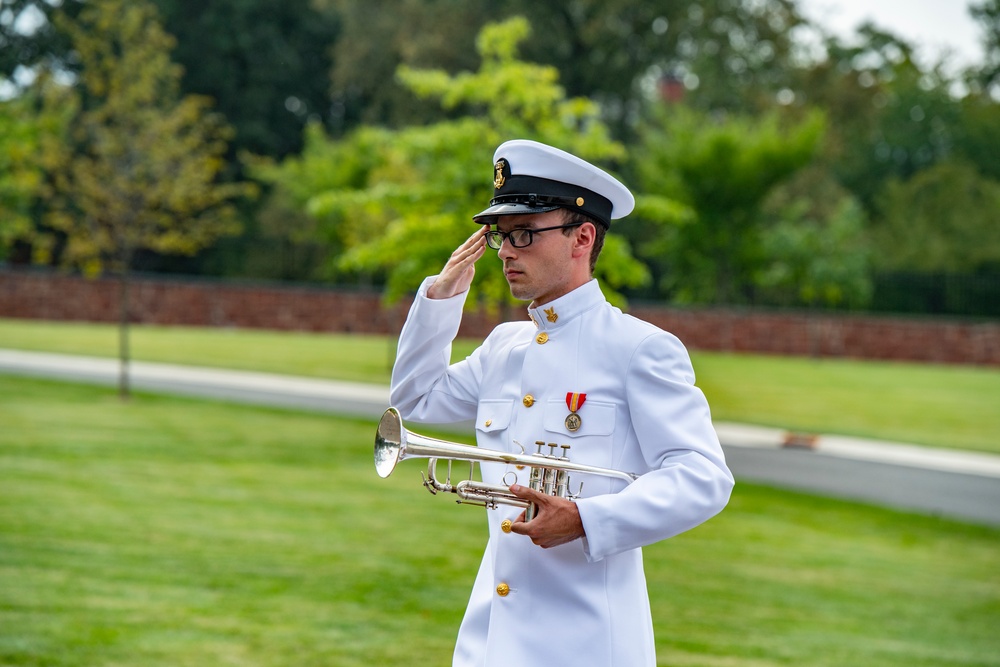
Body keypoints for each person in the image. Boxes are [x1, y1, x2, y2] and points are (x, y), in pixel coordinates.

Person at [389, 139, 734, 667]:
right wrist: (441, 297)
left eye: (523, 234)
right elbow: (415, 399)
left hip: (587, 644)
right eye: (501, 236)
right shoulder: (505, 346)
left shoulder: (639, 348)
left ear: (583, 237)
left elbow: (704, 476)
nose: (506, 251)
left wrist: (587, 519)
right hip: (489, 641)